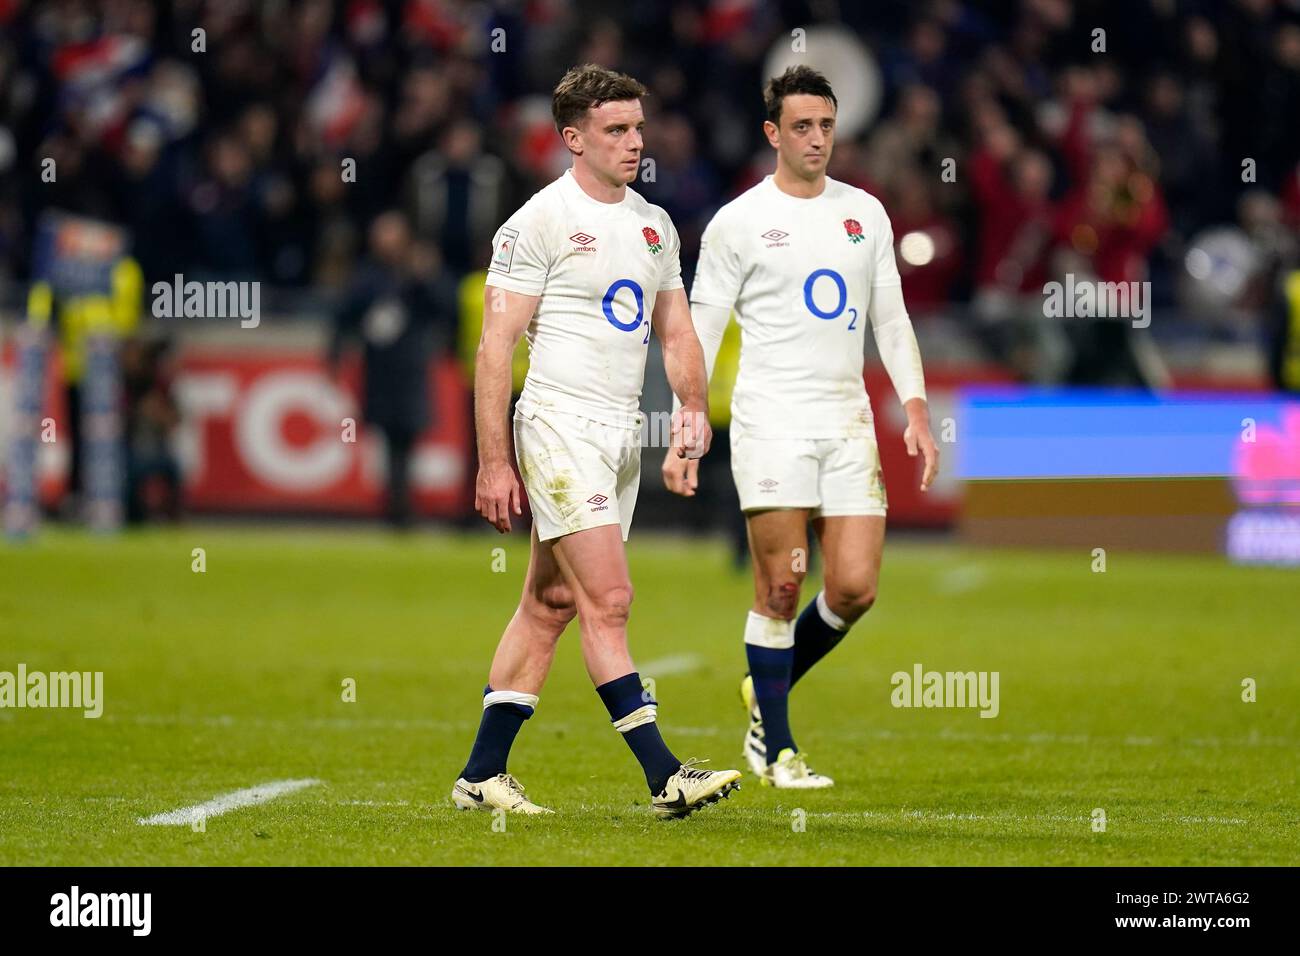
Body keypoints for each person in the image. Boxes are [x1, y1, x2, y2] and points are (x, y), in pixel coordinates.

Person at [451, 64, 742, 819]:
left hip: (617, 436)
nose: (634, 142)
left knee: (551, 603)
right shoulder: (536, 223)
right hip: (556, 424)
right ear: (573, 138)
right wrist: (491, 461)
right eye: (616, 130)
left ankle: (481, 774)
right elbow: (495, 348)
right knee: (609, 599)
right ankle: (664, 775)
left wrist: (689, 412)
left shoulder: (654, 225)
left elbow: (676, 332)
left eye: (638, 127)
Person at [663, 66, 938, 788]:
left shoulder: (865, 214)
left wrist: (914, 405)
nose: (817, 138)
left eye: (826, 124)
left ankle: (767, 686)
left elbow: (891, 318)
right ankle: (777, 749)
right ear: (772, 134)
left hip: (846, 419)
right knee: (781, 588)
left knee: (853, 588)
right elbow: (701, 327)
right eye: (802, 127)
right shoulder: (738, 222)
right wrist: (687, 417)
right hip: (772, 420)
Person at [328, 211, 455, 527]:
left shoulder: (418, 274)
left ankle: (401, 504)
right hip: (381, 372)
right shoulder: (367, 277)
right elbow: (344, 317)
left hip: (410, 368)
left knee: (408, 436)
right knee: (388, 437)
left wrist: (427, 276)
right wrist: (335, 354)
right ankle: (396, 505)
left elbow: (446, 308)